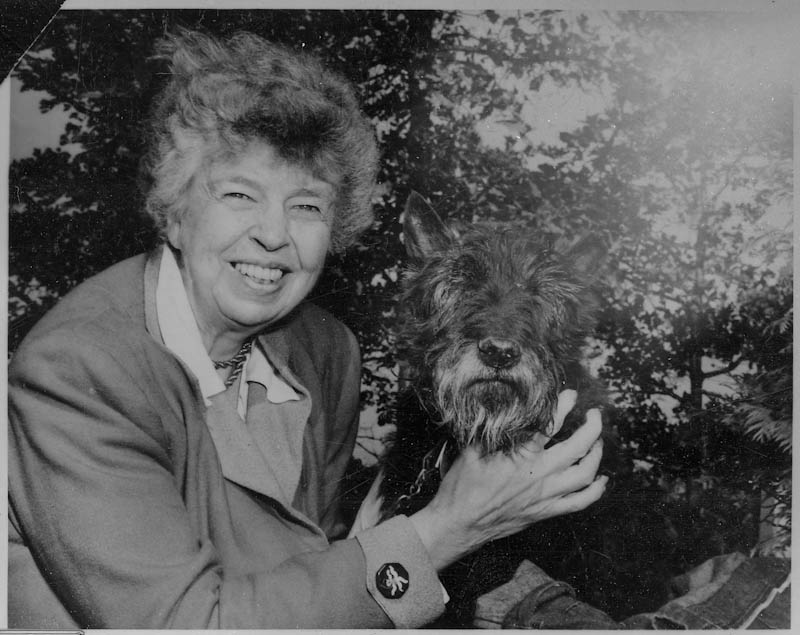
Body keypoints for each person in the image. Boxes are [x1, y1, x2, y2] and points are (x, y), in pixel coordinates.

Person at [7, 29, 606, 629]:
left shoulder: (323, 351)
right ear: (174, 211)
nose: (274, 233)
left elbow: (306, 564)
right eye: (240, 193)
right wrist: (448, 526)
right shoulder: (79, 369)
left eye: (307, 206)